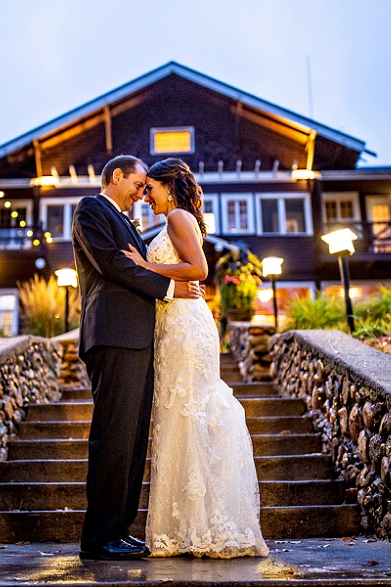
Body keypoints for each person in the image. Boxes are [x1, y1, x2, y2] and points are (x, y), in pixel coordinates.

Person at [122, 158, 269, 559]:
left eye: (149, 189)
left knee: (187, 413)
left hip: (186, 328)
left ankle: (202, 525)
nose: (145, 197)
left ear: (168, 187)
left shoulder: (178, 218)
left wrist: (143, 265)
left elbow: (198, 269)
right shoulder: (177, 218)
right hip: (176, 324)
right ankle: (188, 525)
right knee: (178, 416)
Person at [71, 155, 202, 561]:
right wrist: (170, 289)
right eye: (138, 184)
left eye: (147, 187)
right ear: (116, 177)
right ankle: (98, 537)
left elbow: (142, 264)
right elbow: (112, 265)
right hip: (113, 335)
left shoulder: (128, 221)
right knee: (113, 436)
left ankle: (120, 529)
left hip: (139, 339)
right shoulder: (91, 210)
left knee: (131, 439)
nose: (142, 193)